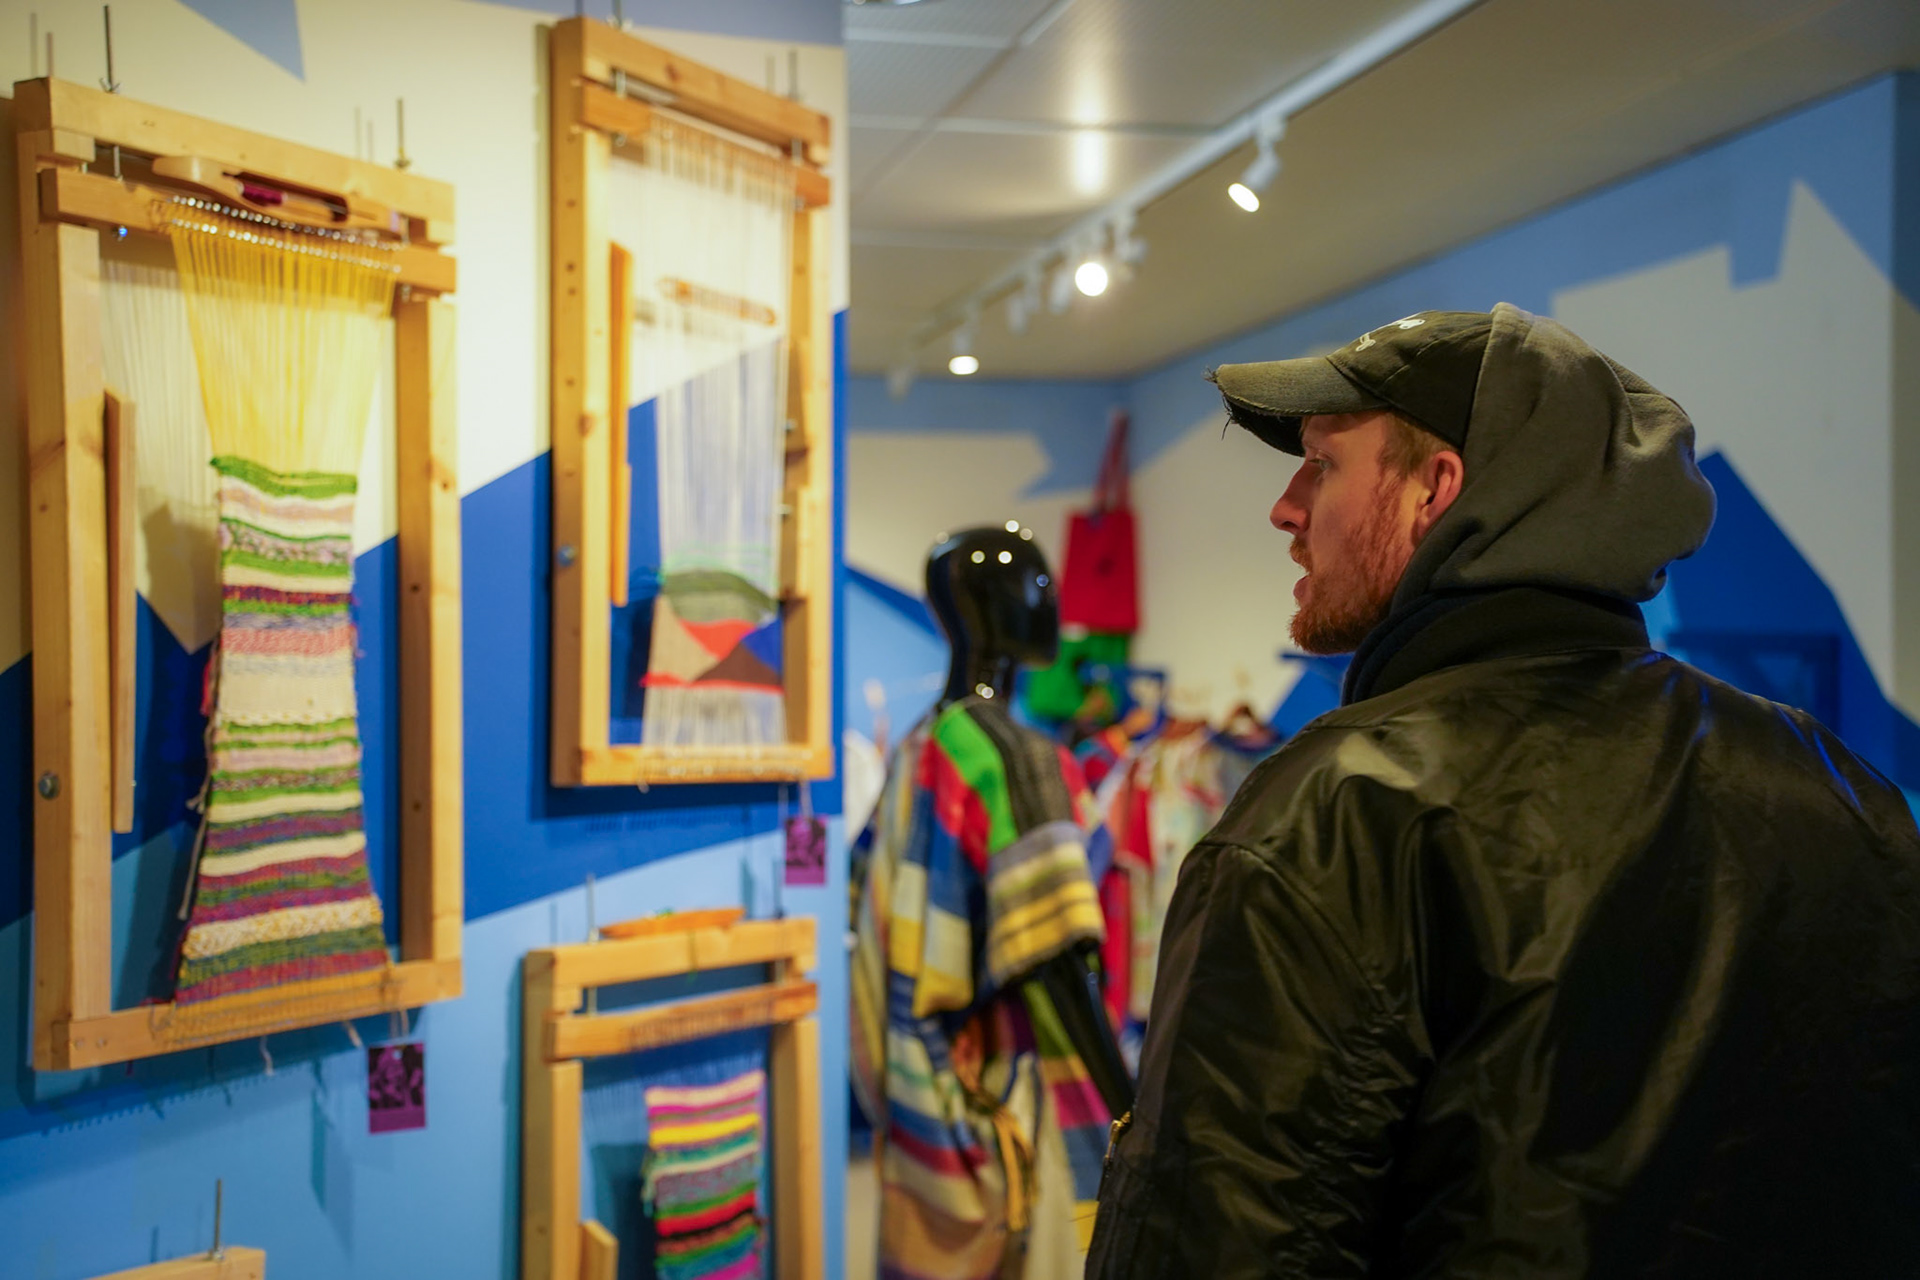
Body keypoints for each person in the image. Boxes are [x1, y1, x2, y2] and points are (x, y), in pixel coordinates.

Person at [1085, 303, 1920, 1277]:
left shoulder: (1335, 812)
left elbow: (1216, 1241)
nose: (1286, 507)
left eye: (1321, 463)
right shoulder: (1837, 786)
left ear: (1435, 491)